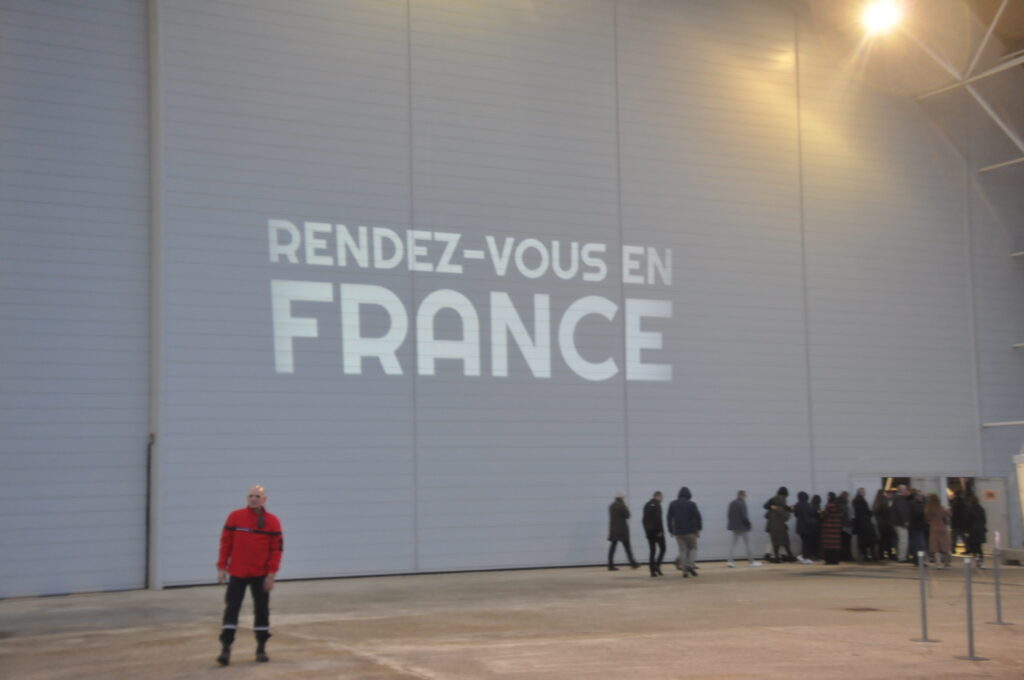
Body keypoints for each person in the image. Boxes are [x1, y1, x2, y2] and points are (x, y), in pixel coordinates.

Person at [216, 484, 284, 666]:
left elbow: (276, 550)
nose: (253, 499)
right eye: (250, 496)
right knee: (232, 609)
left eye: (257, 496)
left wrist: (271, 574)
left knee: (261, 610)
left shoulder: (272, 521)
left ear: (264, 499)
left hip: (260, 575)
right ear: (247, 498)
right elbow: (225, 543)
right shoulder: (235, 517)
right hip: (237, 573)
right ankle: (226, 649)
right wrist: (221, 567)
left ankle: (261, 648)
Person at [667, 486, 702, 578]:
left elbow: (669, 518)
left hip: (678, 532)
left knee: (682, 550)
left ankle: (684, 571)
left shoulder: (673, 504)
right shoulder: (692, 504)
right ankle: (690, 565)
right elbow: (698, 517)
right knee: (693, 548)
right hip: (690, 531)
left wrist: (670, 530)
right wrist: (698, 529)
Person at [764, 487, 801, 563]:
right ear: (785, 496)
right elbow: (785, 518)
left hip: (771, 526)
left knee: (776, 542)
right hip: (780, 526)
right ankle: (788, 556)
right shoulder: (782, 507)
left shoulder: (772, 504)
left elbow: (766, 515)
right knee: (785, 541)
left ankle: (777, 556)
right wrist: (789, 511)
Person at [726, 490, 762, 567]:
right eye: (745, 495)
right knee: (748, 545)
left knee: (733, 544)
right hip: (742, 527)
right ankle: (751, 562)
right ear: (742, 495)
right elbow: (744, 516)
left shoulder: (732, 503)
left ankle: (730, 561)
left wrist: (732, 524)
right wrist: (749, 524)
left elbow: (729, 515)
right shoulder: (742, 503)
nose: (746, 497)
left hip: (734, 527)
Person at [607, 493, 640, 571]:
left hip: (614, 530)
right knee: (627, 548)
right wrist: (626, 507)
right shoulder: (622, 506)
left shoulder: (611, 506)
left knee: (612, 548)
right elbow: (628, 515)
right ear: (621, 498)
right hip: (622, 531)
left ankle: (610, 565)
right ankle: (633, 564)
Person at [923, 493, 951, 568]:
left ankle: (938, 564)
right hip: (942, 527)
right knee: (944, 546)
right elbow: (948, 514)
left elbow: (927, 519)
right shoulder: (940, 507)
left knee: (935, 547)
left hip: (933, 528)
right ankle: (946, 562)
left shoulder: (928, 508)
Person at [642, 491, 666, 577]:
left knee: (652, 551)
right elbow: (658, 519)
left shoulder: (646, 505)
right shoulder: (657, 505)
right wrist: (661, 531)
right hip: (657, 532)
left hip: (649, 532)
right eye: (661, 497)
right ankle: (657, 566)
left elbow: (644, 520)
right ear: (657, 496)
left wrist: (646, 531)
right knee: (663, 549)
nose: (662, 499)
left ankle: (652, 571)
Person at [852, 488, 879, 561]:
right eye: (864, 491)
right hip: (865, 522)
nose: (865, 493)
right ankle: (874, 556)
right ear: (861, 492)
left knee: (863, 541)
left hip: (860, 524)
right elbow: (865, 511)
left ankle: (865, 556)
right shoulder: (861, 500)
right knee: (871, 541)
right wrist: (871, 513)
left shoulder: (855, 500)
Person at [793, 491, 818, 562]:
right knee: (808, 542)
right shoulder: (809, 505)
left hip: (800, 526)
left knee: (804, 541)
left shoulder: (797, 505)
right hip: (808, 526)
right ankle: (807, 556)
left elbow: (796, 515)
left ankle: (805, 556)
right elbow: (813, 513)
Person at [889, 485, 911, 561]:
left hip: (896, 523)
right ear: (903, 491)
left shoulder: (895, 498)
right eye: (906, 490)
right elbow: (901, 511)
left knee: (900, 540)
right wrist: (905, 521)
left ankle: (900, 556)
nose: (907, 491)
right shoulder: (900, 499)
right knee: (903, 541)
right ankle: (902, 557)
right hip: (900, 523)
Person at [872, 489, 895, 561]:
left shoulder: (876, 503)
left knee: (881, 541)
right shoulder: (885, 502)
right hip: (886, 524)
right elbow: (888, 512)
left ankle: (880, 555)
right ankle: (890, 555)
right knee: (889, 541)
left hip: (879, 524)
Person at [820, 492, 842, 565]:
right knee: (835, 545)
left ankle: (829, 560)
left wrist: (820, 512)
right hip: (836, 528)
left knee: (828, 545)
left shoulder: (829, 505)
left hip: (829, 528)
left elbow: (825, 515)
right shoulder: (838, 506)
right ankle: (836, 560)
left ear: (830, 497)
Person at [966, 495, 987, 568]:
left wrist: (966, 530)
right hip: (980, 530)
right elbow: (984, 520)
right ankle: (981, 562)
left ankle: (976, 560)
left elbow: (967, 521)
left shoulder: (969, 509)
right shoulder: (981, 509)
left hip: (972, 530)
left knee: (973, 547)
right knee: (979, 547)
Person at [908, 489, 927, 564]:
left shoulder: (916, 503)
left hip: (918, 527)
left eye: (922, 495)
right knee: (920, 545)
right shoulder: (915, 503)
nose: (921, 497)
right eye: (920, 495)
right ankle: (919, 560)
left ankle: (917, 560)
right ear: (916, 496)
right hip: (916, 527)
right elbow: (917, 513)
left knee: (917, 544)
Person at [949, 490, 968, 555]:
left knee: (954, 537)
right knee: (964, 537)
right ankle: (968, 548)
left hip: (955, 523)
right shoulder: (963, 502)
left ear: (955, 495)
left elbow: (953, 514)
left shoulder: (954, 503)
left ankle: (953, 549)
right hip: (962, 523)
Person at [837, 491, 854, 561]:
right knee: (847, 543)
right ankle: (847, 556)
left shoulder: (837, 503)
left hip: (840, 526)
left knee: (842, 543)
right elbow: (847, 516)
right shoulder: (845, 505)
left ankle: (842, 556)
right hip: (846, 526)